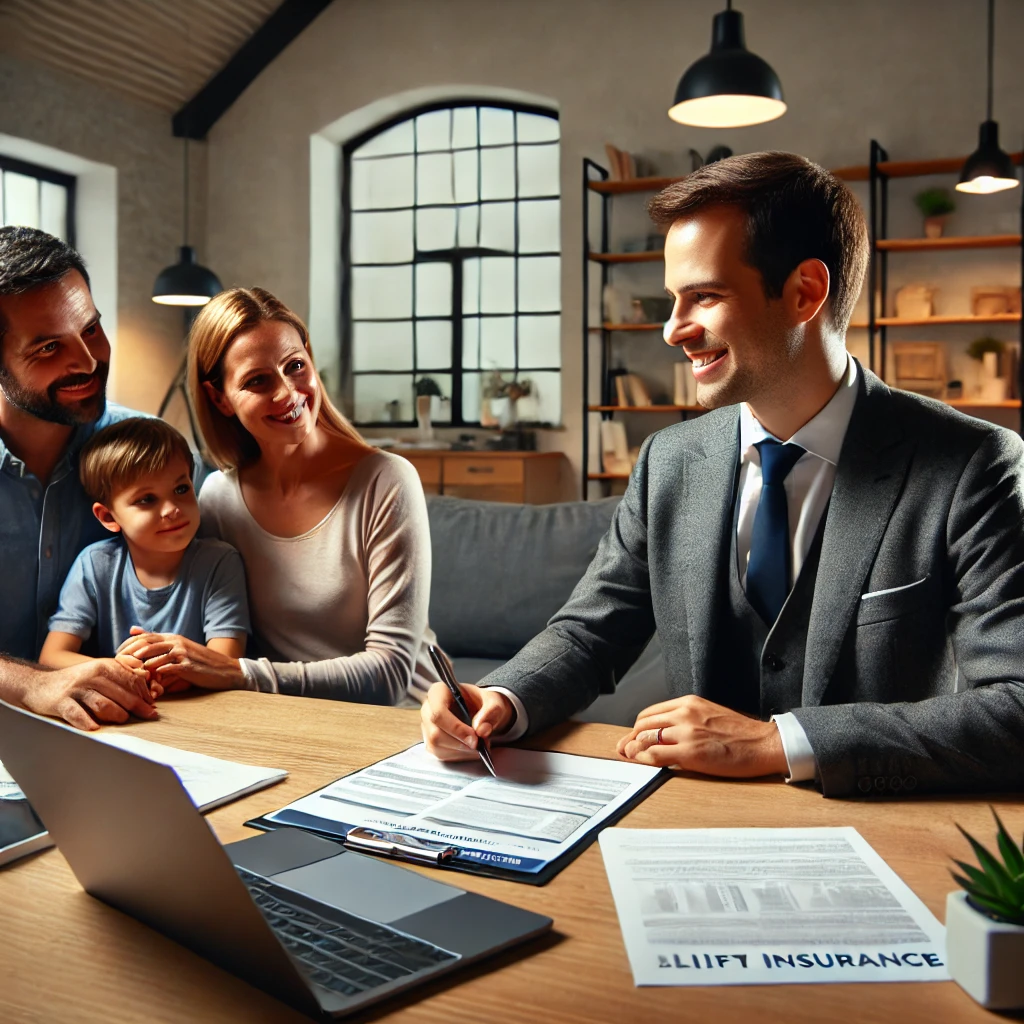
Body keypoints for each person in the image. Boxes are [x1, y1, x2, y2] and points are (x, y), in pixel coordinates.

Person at [421, 151, 1024, 797]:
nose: (673, 329)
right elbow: (591, 630)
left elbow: (1016, 705)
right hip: (683, 822)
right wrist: (504, 698)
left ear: (805, 293)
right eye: (674, 299)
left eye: (703, 296)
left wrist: (777, 743)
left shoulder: (975, 465)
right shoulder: (669, 461)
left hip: (880, 832)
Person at [119, 287, 440, 704]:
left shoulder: (387, 480)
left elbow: (391, 673)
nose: (287, 393)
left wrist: (236, 673)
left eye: (295, 366)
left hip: (405, 726)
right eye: (257, 381)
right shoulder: (216, 499)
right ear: (220, 398)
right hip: (282, 721)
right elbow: (205, 630)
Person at [0, 225, 157, 727]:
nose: (88, 362)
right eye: (48, 348)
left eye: (90, 329)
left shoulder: (151, 453)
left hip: (118, 737)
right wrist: (35, 684)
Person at [39, 417, 249, 684]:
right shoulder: (94, 565)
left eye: (181, 488)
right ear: (107, 517)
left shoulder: (219, 562)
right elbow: (52, 656)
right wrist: (117, 669)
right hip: (124, 707)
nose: (172, 509)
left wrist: (171, 673)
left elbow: (224, 664)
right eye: (147, 499)